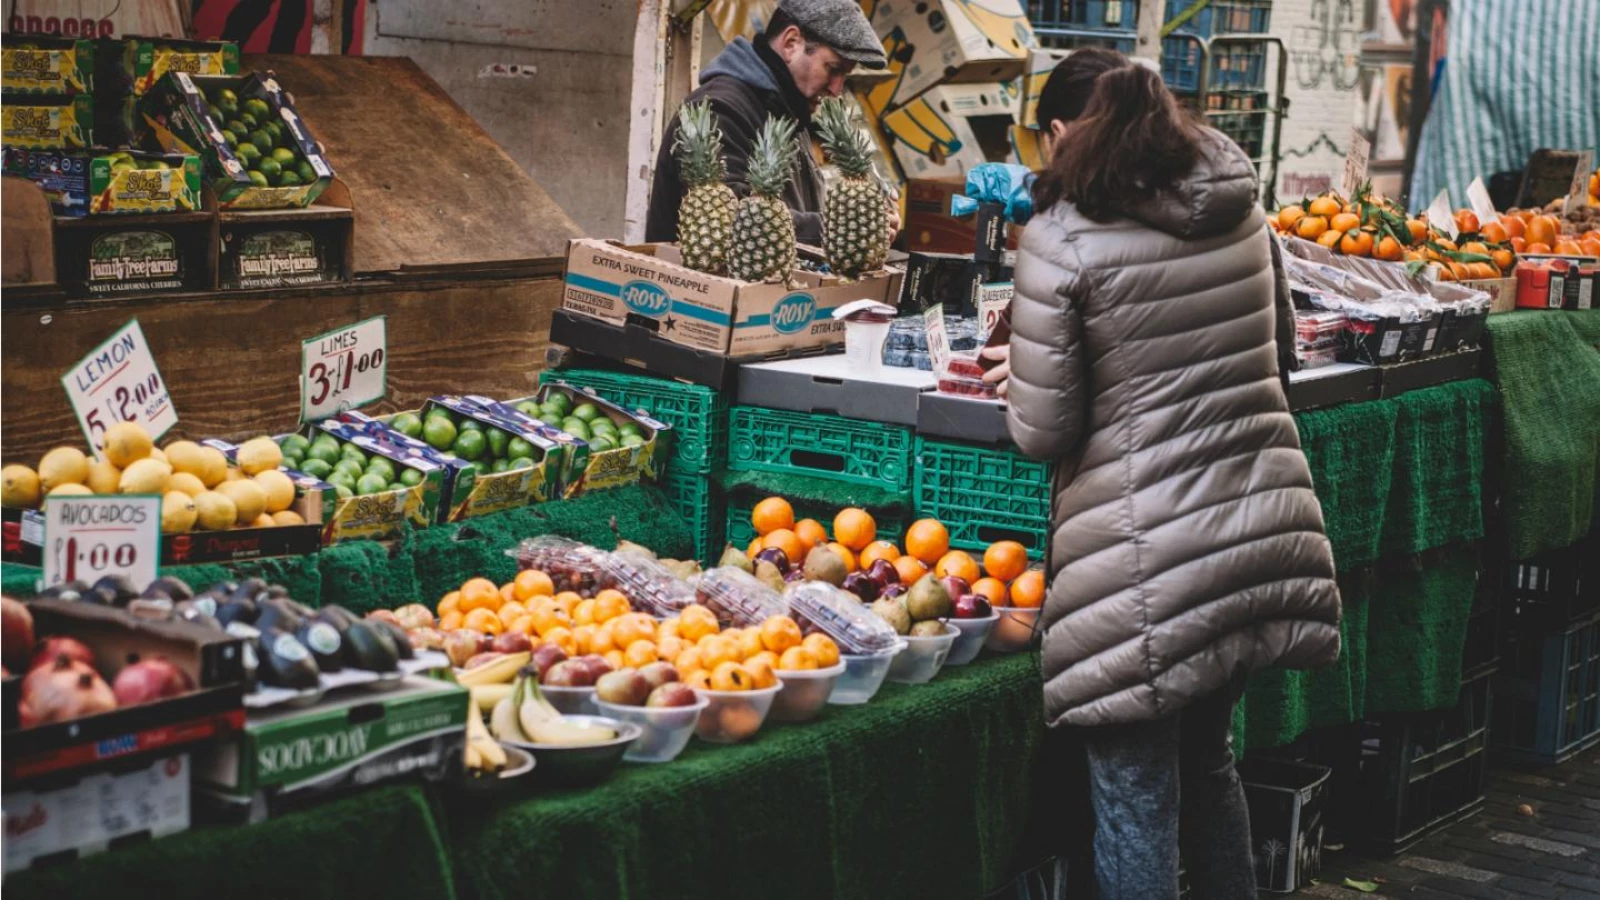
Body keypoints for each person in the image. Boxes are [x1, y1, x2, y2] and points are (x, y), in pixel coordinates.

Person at [981, 49, 1342, 900]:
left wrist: (1019, 377)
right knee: (1208, 764)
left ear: (1065, 132)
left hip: (1146, 560)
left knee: (1135, 796)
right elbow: (1276, 357)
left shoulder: (1062, 238)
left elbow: (1043, 430)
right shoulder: (1240, 209)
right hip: (1257, 527)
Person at [645, 0, 897, 249]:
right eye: (833, 69)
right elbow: (733, 221)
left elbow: (795, 213)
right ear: (791, 43)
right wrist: (842, 228)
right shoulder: (720, 110)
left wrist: (865, 223)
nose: (837, 89)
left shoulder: (789, 111)